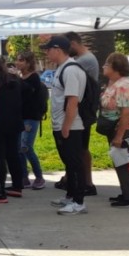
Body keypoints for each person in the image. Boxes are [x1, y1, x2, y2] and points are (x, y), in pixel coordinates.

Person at [42, 35, 89, 215]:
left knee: (75, 163)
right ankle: (70, 196)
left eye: (48, 49)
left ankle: (79, 202)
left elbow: (72, 101)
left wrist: (66, 126)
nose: (47, 53)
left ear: (58, 49)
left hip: (71, 126)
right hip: (62, 125)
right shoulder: (62, 68)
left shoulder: (71, 70)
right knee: (69, 163)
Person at [56, 31, 99, 196]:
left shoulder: (81, 63)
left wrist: (67, 123)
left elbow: (73, 96)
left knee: (79, 149)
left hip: (81, 112)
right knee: (78, 150)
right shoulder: (82, 61)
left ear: (73, 44)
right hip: (80, 111)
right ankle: (76, 181)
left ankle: (84, 183)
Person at [99, 53, 129, 208]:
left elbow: (126, 113)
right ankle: (126, 192)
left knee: (124, 162)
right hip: (115, 128)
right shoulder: (114, 82)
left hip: (126, 129)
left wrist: (119, 136)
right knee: (119, 161)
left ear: (115, 68)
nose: (103, 67)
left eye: (106, 64)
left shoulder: (124, 86)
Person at [0, 56, 24, 202]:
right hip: (15, 121)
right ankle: (17, 185)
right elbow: (28, 93)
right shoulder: (15, 80)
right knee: (13, 154)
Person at [15, 51, 46, 190]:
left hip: (31, 117)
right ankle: (24, 177)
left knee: (26, 146)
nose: (18, 63)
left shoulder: (33, 78)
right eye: (17, 60)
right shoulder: (20, 77)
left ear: (28, 62)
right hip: (21, 117)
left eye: (21, 60)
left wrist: (17, 79)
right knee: (20, 148)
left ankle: (39, 176)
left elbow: (28, 92)